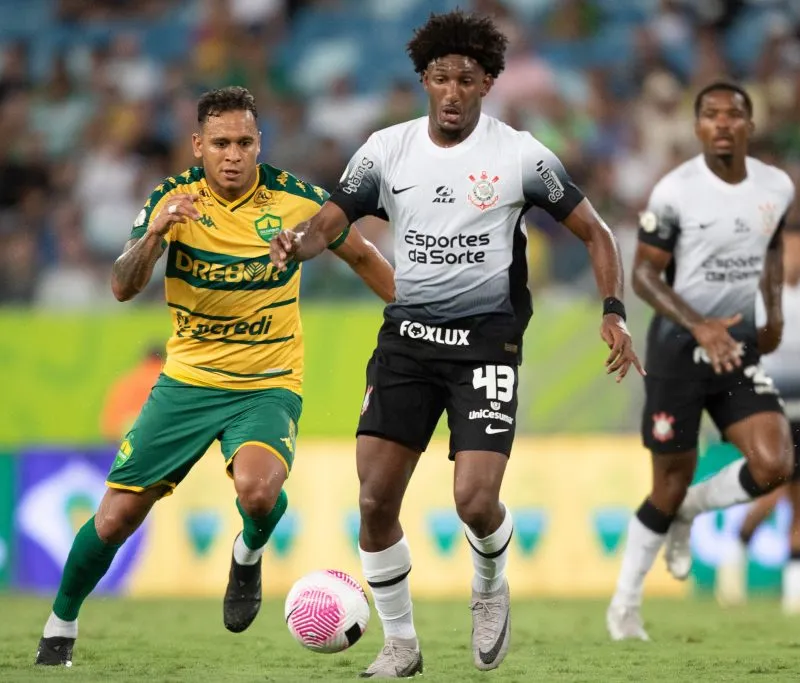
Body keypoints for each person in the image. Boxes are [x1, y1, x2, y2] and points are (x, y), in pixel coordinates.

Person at [269, 10, 643, 677]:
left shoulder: (521, 155)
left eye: (464, 79)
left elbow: (598, 234)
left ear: (488, 83)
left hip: (485, 347)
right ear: (423, 80)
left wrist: (613, 309)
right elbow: (333, 216)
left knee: (474, 499)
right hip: (407, 344)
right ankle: (402, 643)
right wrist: (297, 242)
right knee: (375, 500)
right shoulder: (387, 150)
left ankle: (490, 584)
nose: (450, 90)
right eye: (439, 77)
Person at [35, 86, 395, 667]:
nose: (233, 154)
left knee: (257, 493)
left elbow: (362, 257)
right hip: (187, 383)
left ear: (260, 143)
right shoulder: (170, 200)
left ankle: (248, 556)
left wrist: (415, 316)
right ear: (198, 145)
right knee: (116, 517)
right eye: (221, 143)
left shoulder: (299, 200)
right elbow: (122, 287)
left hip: (267, 381)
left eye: (245, 142)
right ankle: (60, 626)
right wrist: (156, 233)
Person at [607, 81, 795, 641]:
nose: (721, 123)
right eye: (710, 115)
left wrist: (776, 311)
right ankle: (625, 604)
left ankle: (689, 510)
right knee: (665, 485)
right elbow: (642, 275)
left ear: (749, 125)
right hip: (677, 351)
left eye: (732, 115)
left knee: (775, 463)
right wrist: (700, 324)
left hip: (737, 348)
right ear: (697, 128)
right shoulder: (675, 191)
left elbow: (774, 244)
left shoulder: (776, 186)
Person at [714, 223, 800, 614]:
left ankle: (797, 593)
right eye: (791, 252)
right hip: (766, 409)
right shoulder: (755, 299)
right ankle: (735, 549)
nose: (799, 259)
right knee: (771, 493)